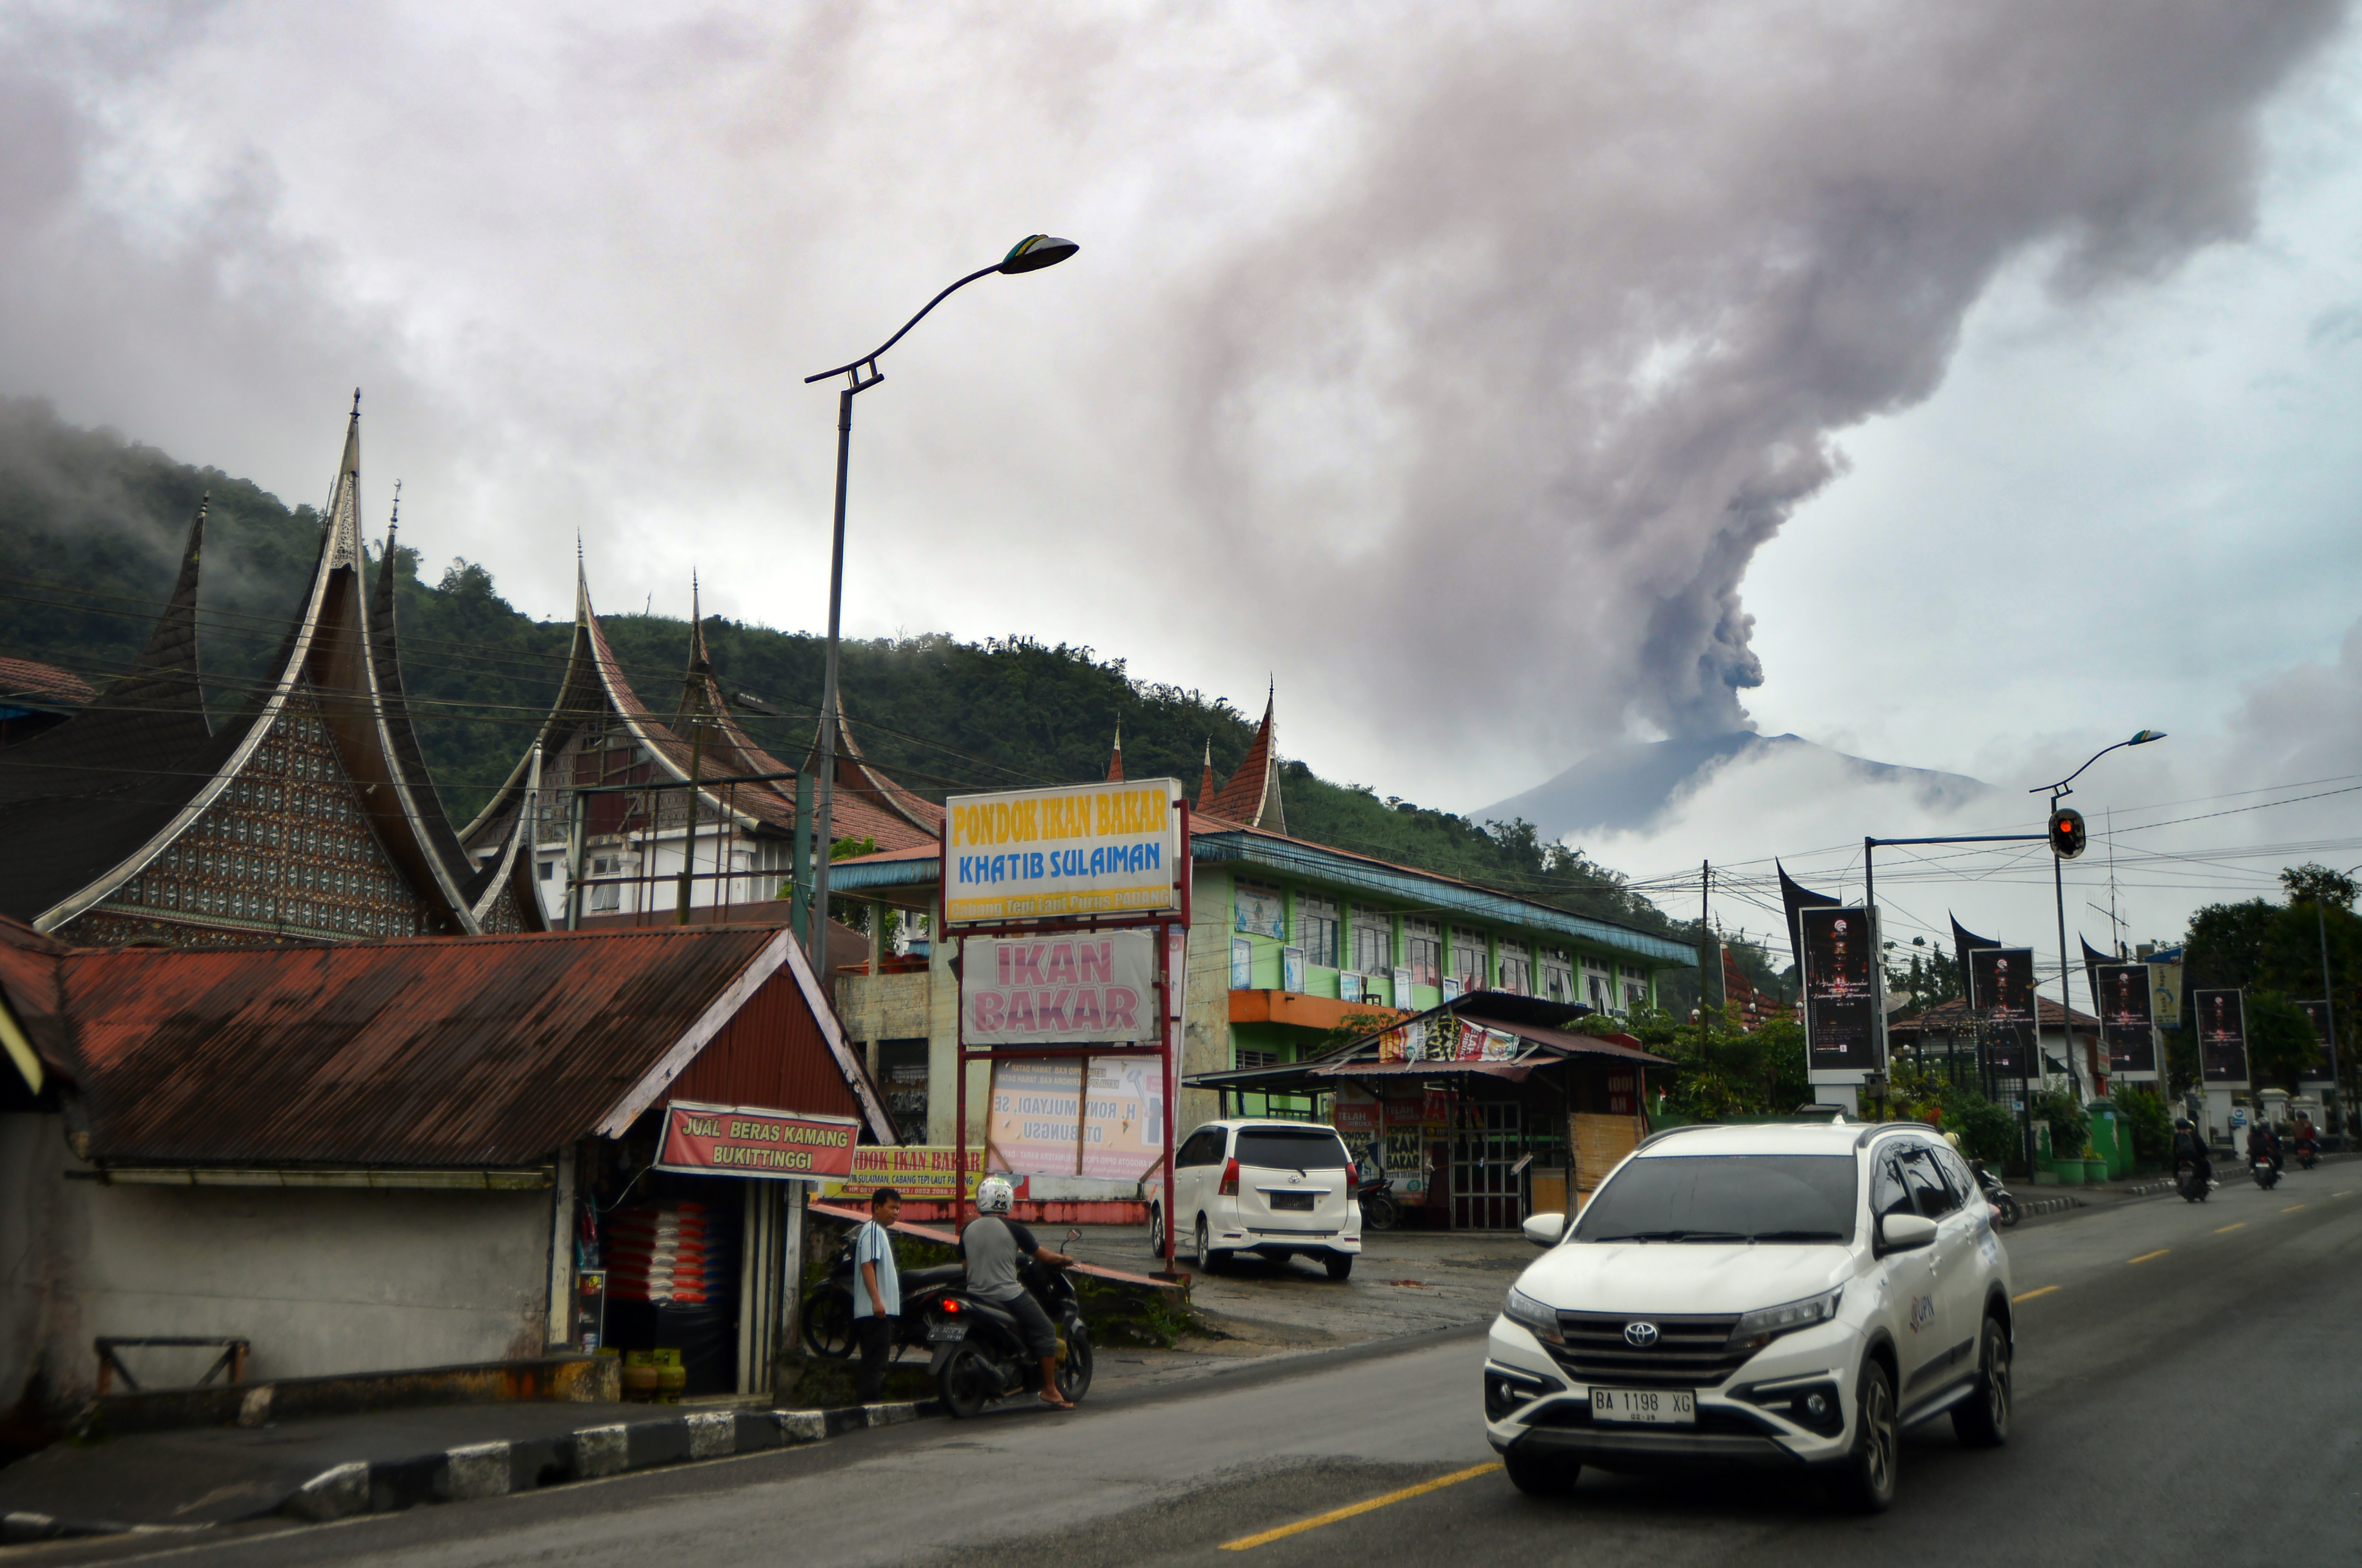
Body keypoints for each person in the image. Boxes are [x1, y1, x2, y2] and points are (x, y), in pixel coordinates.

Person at [959, 1175, 1079, 1410]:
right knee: (1045, 1330)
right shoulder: (1014, 1229)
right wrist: (1065, 1259)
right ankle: (1049, 1390)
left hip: (975, 1295)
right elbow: (1043, 1257)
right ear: (1006, 1202)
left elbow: (966, 1266)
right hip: (1007, 1295)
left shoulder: (967, 1230)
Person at [851, 1187, 903, 1405]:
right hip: (875, 1312)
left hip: (878, 1311)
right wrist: (877, 1301)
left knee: (874, 1363)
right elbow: (867, 1265)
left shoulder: (879, 1231)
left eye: (898, 1208)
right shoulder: (872, 1230)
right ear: (877, 1208)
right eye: (892, 1207)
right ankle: (868, 1408)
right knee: (875, 1365)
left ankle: (867, 1406)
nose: (896, 1212)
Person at [2173, 1118, 2212, 1190]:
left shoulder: (2176, 1136)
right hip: (2194, 1157)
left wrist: (2176, 1156)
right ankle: (2209, 1180)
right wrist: (2207, 1152)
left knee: (2175, 1163)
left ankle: (2175, 1179)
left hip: (2181, 1158)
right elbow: (2202, 1146)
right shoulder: (2194, 1135)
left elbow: (2174, 1149)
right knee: (2206, 1163)